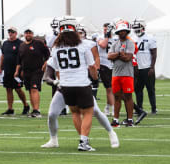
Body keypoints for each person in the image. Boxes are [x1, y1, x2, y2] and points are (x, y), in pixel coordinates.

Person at [41, 17, 118, 151]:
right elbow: (92, 67)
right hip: (81, 85)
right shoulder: (83, 46)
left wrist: (58, 80)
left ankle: (109, 134)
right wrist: (95, 78)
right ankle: (83, 142)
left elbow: (55, 70)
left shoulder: (56, 48)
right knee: (88, 113)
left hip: (66, 86)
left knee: (77, 113)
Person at [108, 20, 137, 126]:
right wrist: (119, 54)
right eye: (120, 31)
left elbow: (128, 58)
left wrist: (116, 55)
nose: (122, 32)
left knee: (128, 97)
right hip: (116, 74)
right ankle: (116, 119)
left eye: (124, 31)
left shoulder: (130, 43)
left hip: (127, 74)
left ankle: (130, 119)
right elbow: (109, 56)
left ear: (127, 31)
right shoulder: (115, 43)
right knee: (116, 97)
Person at [16, 28, 49, 118]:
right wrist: (17, 71)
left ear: (32, 34)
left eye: (30, 33)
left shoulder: (38, 43)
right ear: (24, 35)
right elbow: (19, 60)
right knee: (30, 90)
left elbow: (48, 54)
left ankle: (36, 110)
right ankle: (33, 109)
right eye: (26, 33)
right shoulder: (22, 45)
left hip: (37, 69)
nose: (28, 35)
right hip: (26, 71)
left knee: (34, 88)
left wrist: (46, 63)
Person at [0, 26, 27, 115]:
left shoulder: (20, 43)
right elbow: (3, 55)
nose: (10, 33)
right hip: (7, 69)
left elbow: (23, 57)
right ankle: (10, 108)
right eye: (9, 32)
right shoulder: (5, 43)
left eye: (12, 32)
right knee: (8, 89)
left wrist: (20, 69)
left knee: (18, 89)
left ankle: (26, 105)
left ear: (16, 33)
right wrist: (0, 67)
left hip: (16, 69)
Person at [132, 19, 158, 115]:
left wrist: (152, 67)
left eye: (137, 27)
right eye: (134, 28)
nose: (136, 30)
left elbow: (154, 53)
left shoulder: (150, 38)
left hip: (147, 68)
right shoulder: (132, 38)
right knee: (138, 89)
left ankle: (154, 108)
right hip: (137, 68)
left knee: (150, 89)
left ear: (143, 27)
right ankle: (139, 108)